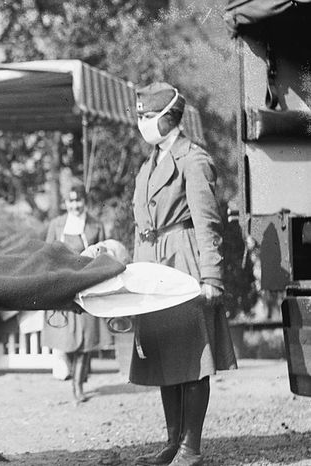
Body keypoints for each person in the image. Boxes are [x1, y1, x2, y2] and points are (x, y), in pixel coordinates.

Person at [131, 82, 237, 466]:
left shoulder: (194, 160)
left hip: (184, 262)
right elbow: (141, 224)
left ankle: (191, 449)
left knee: (191, 359)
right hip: (152, 264)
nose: (140, 123)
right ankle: (173, 442)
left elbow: (208, 223)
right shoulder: (150, 163)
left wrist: (212, 278)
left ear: (167, 118)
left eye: (146, 116)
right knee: (164, 358)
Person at [41, 184, 107, 403]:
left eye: (78, 201)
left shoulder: (95, 224)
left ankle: (78, 386)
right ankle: (73, 373)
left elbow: (104, 254)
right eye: (71, 201)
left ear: (84, 201)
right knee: (65, 337)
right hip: (62, 286)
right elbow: (47, 255)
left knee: (86, 338)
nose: (75, 205)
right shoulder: (56, 224)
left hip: (87, 284)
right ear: (65, 203)